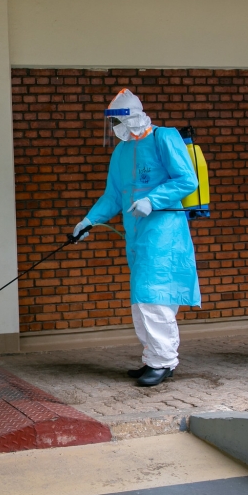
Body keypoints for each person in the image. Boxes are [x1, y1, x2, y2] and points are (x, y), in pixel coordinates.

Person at [72, 89, 201, 387]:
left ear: (135, 116)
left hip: (164, 232)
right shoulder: (122, 151)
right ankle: (152, 359)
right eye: (113, 122)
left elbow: (186, 179)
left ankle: (164, 361)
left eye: (119, 120)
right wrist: (89, 220)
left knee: (154, 297)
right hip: (137, 234)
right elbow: (113, 195)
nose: (116, 128)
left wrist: (152, 200)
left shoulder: (164, 138)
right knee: (141, 299)